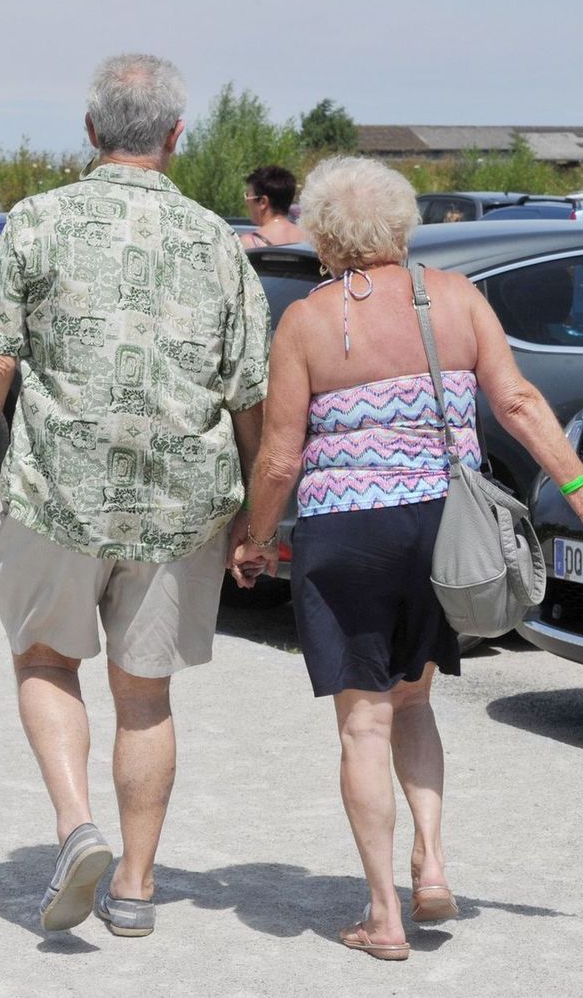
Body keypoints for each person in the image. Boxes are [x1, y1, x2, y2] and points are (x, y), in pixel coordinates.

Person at [0, 54, 271, 937]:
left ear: (91, 132)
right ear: (175, 136)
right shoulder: (218, 240)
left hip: (57, 490)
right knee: (146, 696)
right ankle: (133, 886)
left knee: (47, 660)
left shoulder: (36, 222)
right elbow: (250, 395)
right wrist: (257, 517)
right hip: (180, 508)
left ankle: (73, 824)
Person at [233, 156, 583, 961]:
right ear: (402, 225)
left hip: (345, 537)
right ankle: (432, 861)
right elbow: (521, 403)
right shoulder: (456, 300)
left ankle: (384, 916)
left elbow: (281, 460)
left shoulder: (308, 323)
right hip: (440, 528)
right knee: (415, 704)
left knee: (363, 727)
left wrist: (254, 541)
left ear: (323, 233)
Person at [240, 166, 307, 248]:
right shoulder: (310, 240)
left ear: (263, 202)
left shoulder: (249, 243)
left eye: (247, 197)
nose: (246, 203)